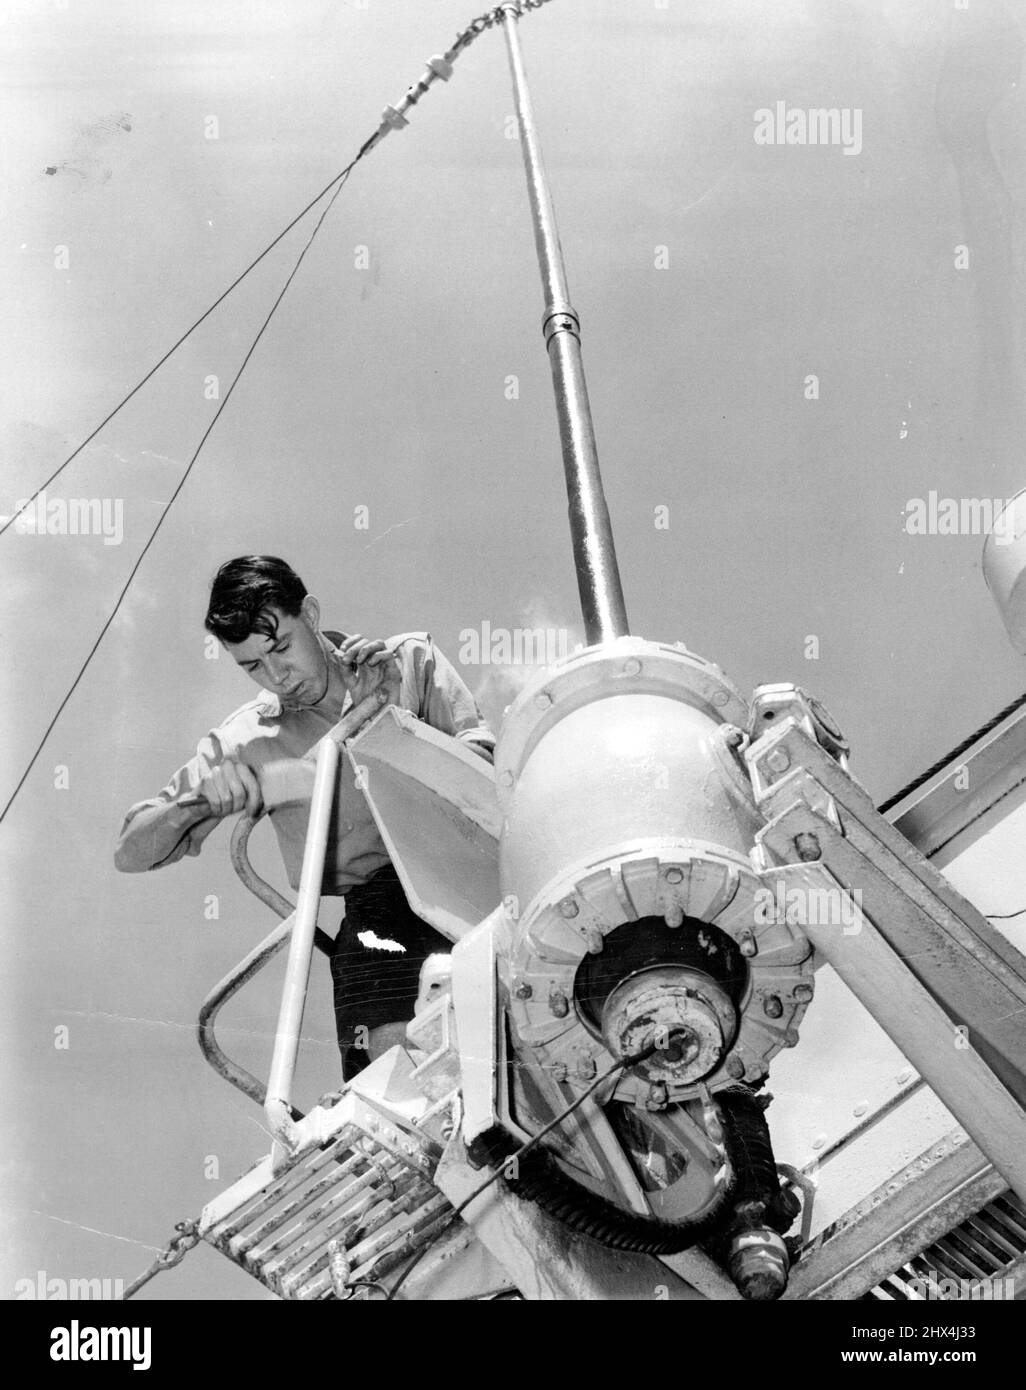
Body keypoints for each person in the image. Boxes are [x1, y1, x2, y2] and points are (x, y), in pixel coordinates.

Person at [115, 554, 495, 1079]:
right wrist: (196, 801)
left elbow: (487, 782)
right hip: (380, 904)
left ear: (310, 615)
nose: (277, 676)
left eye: (281, 648)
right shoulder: (246, 739)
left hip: (473, 866)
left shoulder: (408, 662)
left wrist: (391, 723)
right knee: (386, 1034)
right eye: (251, 666)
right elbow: (131, 852)